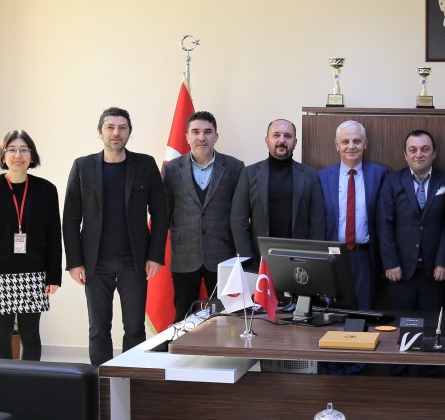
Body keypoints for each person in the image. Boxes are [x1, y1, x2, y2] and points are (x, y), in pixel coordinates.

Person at [63, 107, 168, 366]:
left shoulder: (145, 165)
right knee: (98, 328)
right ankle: (102, 382)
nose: (116, 133)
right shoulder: (82, 166)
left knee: (134, 327)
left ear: (129, 132)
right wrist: (75, 262)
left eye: (122, 128)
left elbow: (161, 213)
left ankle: (132, 378)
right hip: (95, 261)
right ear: (100, 131)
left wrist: (155, 255)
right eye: (110, 127)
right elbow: (70, 218)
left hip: (135, 261)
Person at [0, 130, 61, 360]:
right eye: (12, 150)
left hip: (34, 274)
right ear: (3, 155)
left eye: (24, 150)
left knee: (31, 335)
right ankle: (2, 382)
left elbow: (54, 236)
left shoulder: (47, 189)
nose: (18, 155)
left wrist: (54, 276)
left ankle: (31, 381)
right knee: (1, 336)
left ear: (32, 155)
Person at [163, 111, 244, 322]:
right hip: (184, 255)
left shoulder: (235, 167)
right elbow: (165, 211)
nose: (202, 137)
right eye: (196, 132)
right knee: (183, 317)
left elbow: (240, 213)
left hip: (222, 254)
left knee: (226, 318)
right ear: (187, 137)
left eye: (208, 132)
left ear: (216, 136)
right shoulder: (171, 169)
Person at [231, 119, 325, 263]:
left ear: (295, 142)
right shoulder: (249, 174)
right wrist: (248, 259)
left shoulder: (310, 175)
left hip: (300, 260)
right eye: (276, 135)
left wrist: (311, 258)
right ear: (267, 140)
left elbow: (317, 222)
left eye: (288, 136)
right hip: (259, 259)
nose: (282, 140)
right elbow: (238, 220)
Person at [377, 129, 445, 311]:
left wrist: (444, 261)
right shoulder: (392, 181)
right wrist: (391, 263)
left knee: (433, 323)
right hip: (400, 270)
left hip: (435, 271)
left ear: (434, 153)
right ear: (405, 155)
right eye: (413, 150)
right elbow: (384, 225)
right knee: (399, 323)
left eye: (425, 149)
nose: (419, 154)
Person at [318, 120, 387, 311]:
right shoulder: (322, 177)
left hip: (365, 257)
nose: (351, 146)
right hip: (332, 257)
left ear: (365, 143)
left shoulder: (380, 174)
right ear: (337, 145)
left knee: (363, 312)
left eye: (356, 141)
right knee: (333, 313)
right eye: (345, 141)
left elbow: (385, 220)